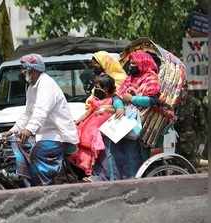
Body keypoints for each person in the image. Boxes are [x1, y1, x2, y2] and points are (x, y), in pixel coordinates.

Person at [3, 53, 78, 186]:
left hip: (57, 136)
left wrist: (29, 130)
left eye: (24, 69)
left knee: (39, 153)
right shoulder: (32, 87)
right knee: (14, 152)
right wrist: (13, 130)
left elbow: (40, 112)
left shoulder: (46, 85)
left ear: (33, 70)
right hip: (42, 136)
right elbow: (27, 114)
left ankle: (43, 189)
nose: (22, 72)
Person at [95, 50, 161, 181]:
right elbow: (117, 95)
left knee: (132, 156)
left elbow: (153, 101)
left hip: (139, 122)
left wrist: (132, 99)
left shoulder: (151, 79)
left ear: (143, 63)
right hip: (123, 120)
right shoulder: (129, 79)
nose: (131, 66)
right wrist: (119, 106)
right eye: (130, 63)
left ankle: (134, 182)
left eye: (134, 63)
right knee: (114, 151)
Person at [67, 74, 117, 179]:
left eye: (98, 87)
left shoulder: (113, 100)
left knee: (97, 152)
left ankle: (96, 173)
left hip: (100, 130)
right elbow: (87, 113)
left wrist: (107, 109)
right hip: (88, 128)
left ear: (106, 88)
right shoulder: (96, 100)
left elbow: (118, 109)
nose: (96, 89)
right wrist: (77, 121)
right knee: (85, 148)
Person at [176, 88, 206, 166]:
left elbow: (202, 125)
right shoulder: (175, 102)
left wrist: (202, 144)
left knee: (192, 165)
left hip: (190, 142)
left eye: (184, 89)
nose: (182, 91)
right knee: (178, 165)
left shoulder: (195, 103)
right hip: (177, 140)